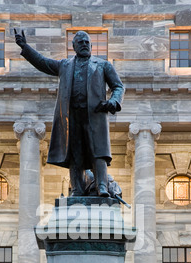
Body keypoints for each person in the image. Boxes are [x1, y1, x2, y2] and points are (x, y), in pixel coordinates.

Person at [14, 29, 124, 197]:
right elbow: (43, 62)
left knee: (98, 151)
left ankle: (102, 186)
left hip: (94, 114)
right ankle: (77, 188)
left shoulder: (103, 65)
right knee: (75, 153)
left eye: (87, 42)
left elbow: (118, 86)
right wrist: (25, 46)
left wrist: (113, 101)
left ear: (92, 46)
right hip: (71, 116)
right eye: (80, 42)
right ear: (73, 46)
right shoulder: (65, 65)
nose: (85, 45)